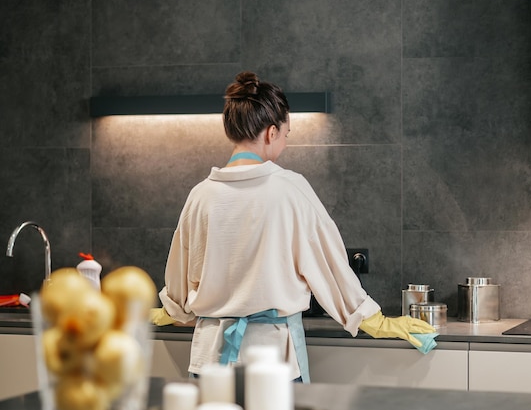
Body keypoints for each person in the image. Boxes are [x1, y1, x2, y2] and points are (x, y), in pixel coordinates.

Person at [150, 71, 436, 382]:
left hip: (209, 363)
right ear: (271, 133)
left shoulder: (200, 196)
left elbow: (179, 279)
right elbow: (330, 266)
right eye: (287, 134)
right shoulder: (290, 189)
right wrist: (372, 319)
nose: (285, 143)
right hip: (275, 362)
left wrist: (170, 310)